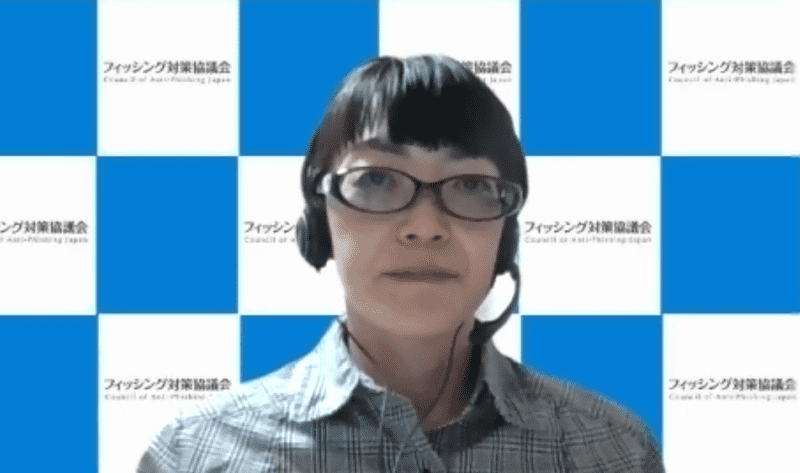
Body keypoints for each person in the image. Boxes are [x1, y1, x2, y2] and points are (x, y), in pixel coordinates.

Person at [137, 55, 665, 473]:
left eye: (471, 184)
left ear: (504, 236)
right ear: (320, 220)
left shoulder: (613, 450)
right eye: (376, 179)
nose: (426, 226)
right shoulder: (195, 452)